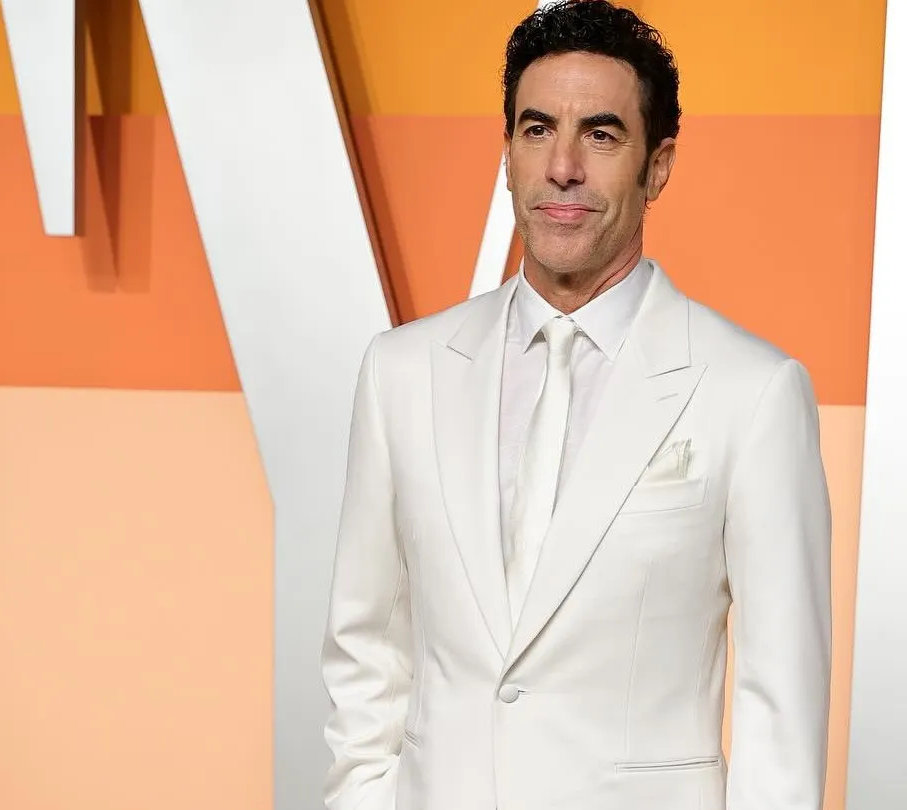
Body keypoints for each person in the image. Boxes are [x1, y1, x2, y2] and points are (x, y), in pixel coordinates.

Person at [320, 2, 831, 808]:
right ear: (507, 155)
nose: (562, 166)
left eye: (600, 134)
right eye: (536, 130)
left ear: (657, 166)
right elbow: (366, 650)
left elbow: (780, 711)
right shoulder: (401, 372)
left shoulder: (753, 392)